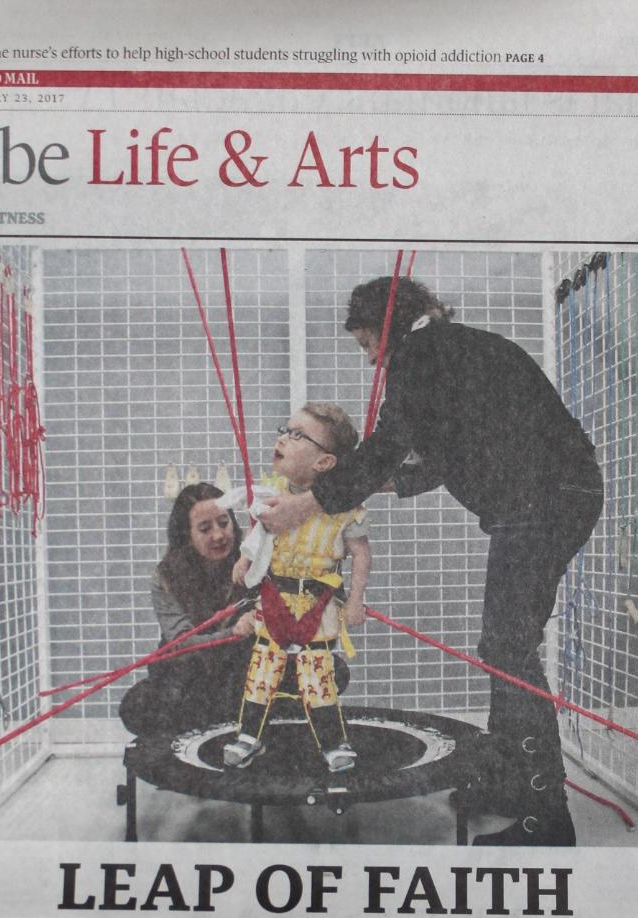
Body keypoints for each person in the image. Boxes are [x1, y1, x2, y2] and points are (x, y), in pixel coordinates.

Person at [260, 277, 603, 846]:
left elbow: (386, 446)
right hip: (559, 496)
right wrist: (372, 487)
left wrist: (302, 506)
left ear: (390, 326)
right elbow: (443, 454)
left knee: (507, 647)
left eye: (369, 344)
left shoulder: (420, 353)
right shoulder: (461, 349)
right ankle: (511, 783)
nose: (372, 361)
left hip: (541, 504)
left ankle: (547, 817)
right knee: (506, 645)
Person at [222, 403, 372, 773]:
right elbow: (257, 534)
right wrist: (243, 560)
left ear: (324, 463)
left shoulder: (344, 507)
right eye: (284, 430)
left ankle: (334, 745)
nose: (282, 438)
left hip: (317, 605)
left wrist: (355, 601)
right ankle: (248, 737)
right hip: (273, 597)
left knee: (316, 675)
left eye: (296, 435)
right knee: (262, 670)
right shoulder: (269, 491)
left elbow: (361, 554)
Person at [119, 482, 257, 737]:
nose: (218, 535)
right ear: (186, 535)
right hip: (189, 677)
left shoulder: (253, 564)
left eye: (223, 523)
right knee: (136, 705)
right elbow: (183, 645)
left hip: (239, 674)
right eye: (205, 528)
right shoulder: (166, 576)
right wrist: (236, 632)